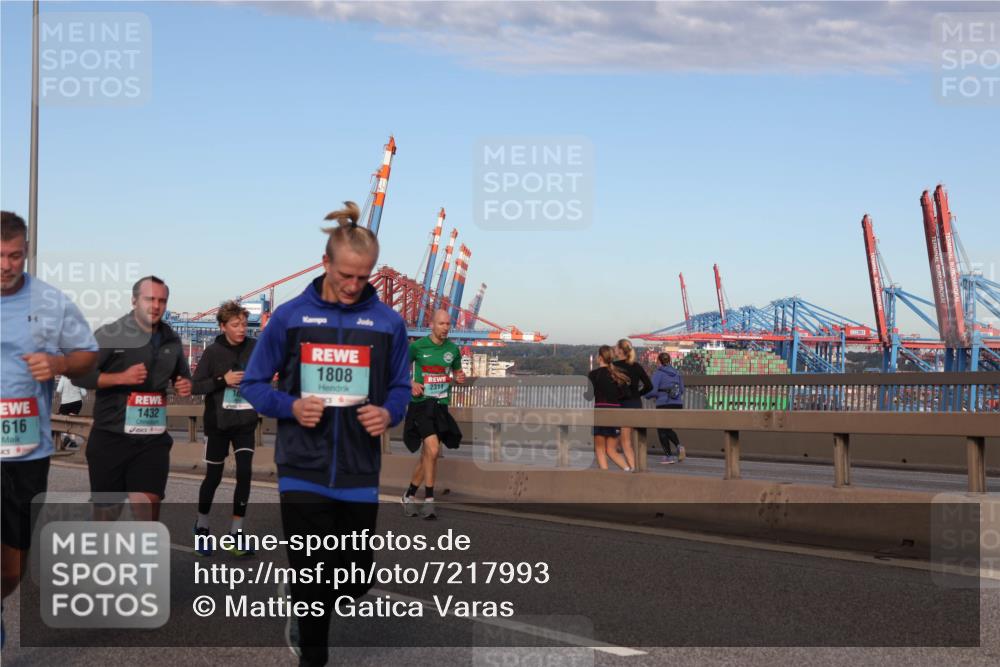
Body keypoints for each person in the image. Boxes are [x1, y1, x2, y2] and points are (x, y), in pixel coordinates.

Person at [241, 202, 410, 667]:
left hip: (359, 470)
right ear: (325, 263)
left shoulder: (388, 323)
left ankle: (302, 592)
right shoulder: (291, 317)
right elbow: (254, 384)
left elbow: (400, 387)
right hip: (303, 467)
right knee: (314, 579)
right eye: (346, 276)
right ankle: (310, 641)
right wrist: (290, 405)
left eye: (364, 276)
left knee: (354, 581)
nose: (354, 286)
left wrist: (389, 413)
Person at [1, 211, 98, 646]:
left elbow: (87, 356)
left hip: (27, 449)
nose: (6, 264)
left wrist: (59, 363)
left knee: (12, 566)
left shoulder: (51, 303)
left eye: (15, 256)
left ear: (26, 253)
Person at [76, 275, 192, 522]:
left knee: (148, 503)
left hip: (152, 440)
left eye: (162, 300)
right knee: (107, 514)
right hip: (111, 438)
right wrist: (120, 378)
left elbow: (182, 375)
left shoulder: (172, 338)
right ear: (134, 300)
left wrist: (184, 384)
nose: (156, 306)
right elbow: (80, 374)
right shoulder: (110, 334)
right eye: (149, 299)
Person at [190, 301, 259, 556]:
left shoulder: (255, 347)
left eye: (243, 324)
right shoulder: (213, 352)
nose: (241, 329)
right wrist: (223, 380)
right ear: (223, 326)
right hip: (218, 424)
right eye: (235, 324)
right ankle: (202, 526)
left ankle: (235, 534)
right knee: (214, 477)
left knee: (245, 473)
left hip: (245, 422)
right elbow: (195, 387)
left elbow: (267, 373)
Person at [402, 308, 466, 519]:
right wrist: (411, 382)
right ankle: (429, 501)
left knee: (428, 455)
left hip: (440, 406)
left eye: (448, 324)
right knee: (432, 448)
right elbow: (398, 369)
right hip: (421, 404)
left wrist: (459, 376)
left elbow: (457, 371)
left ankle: (409, 495)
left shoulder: (453, 350)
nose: (446, 328)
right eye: (442, 324)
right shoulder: (418, 346)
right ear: (432, 324)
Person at [585, 345, 631, 470]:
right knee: (611, 450)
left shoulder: (593, 374)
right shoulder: (617, 374)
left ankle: (605, 476)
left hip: (600, 412)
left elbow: (589, 396)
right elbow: (626, 394)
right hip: (615, 412)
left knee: (600, 449)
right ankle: (628, 471)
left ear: (600, 358)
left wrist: (586, 393)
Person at [613, 338, 652, 471]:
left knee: (626, 442)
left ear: (619, 350)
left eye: (615, 347)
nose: (614, 349)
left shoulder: (615, 367)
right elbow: (649, 386)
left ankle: (634, 469)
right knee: (637, 439)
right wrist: (638, 394)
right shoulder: (636, 366)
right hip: (636, 404)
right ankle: (638, 466)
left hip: (624, 406)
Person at [644, 352, 686, 464]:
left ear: (659, 362)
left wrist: (646, 396)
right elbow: (681, 390)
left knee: (662, 429)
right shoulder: (677, 373)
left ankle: (669, 456)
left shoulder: (659, 373)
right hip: (677, 404)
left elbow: (652, 390)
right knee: (667, 428)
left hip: (664, 403)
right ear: (669, 361)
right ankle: (679, 447)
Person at [55, 375, 87, 450]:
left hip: (65, 403)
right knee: (72, 421)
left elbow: (59, 390)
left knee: (62, 421)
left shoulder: (63, 377)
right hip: (77, 402)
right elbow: (84, 393)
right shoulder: (79, 377)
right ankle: (72, 441)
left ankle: (66, 437)